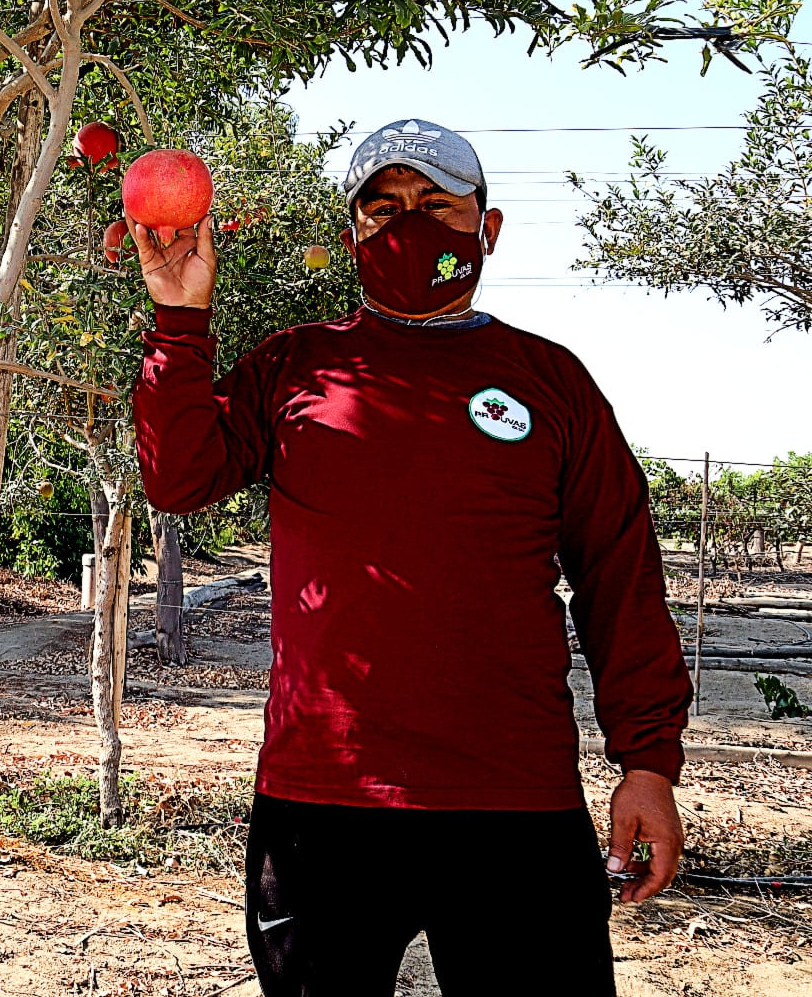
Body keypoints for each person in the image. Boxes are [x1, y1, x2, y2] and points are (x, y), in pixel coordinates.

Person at [130, 119, 691, 996]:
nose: (409, 225)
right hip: (322, 803)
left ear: (487, 228)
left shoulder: (551, 381)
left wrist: (648, 763)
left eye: (436, 204)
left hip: (516, 802)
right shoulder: (298, 366)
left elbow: (620, 579)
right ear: (354, 232)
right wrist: (179, 317)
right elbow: (179, 478)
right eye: (384, 208)